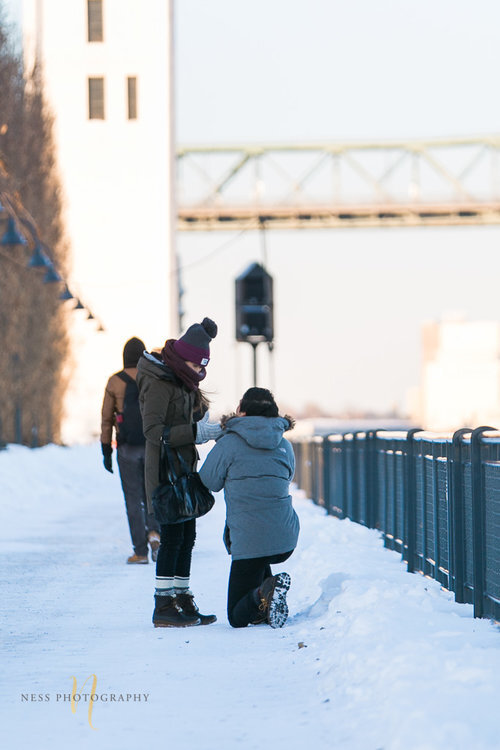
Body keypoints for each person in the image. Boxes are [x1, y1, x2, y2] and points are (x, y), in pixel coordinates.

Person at [136, 317, 221, 628]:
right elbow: (153, 431)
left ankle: (181, 598)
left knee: (187, 537)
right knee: (172, 538)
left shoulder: (181, 380)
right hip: (164, 474)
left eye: (203, 368)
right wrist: (197, 432)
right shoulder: (159, 381)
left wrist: (205, 420)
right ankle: (164, 605)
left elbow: (185, 419)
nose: (200, 373)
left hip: (182, 471)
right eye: (197, 366)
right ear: (183, 358)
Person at [199, 387, 299, 629]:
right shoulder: (284, 445)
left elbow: (208, 481)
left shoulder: (230, 443)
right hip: (285, 538)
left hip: (249, 539)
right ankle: (267, 599)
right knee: (260, 555)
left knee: (236, 616)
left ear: (241, 412)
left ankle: (263, 594)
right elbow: (287, 476)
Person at [100, 337, 161, 565]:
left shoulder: (115, 381)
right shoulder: (153, 377)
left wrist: (106, 450)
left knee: (133, 499)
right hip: (152, 446)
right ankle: (155, 533)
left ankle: (140, 552)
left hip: (126, 449)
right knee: (153, 495)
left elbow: (107, 419)